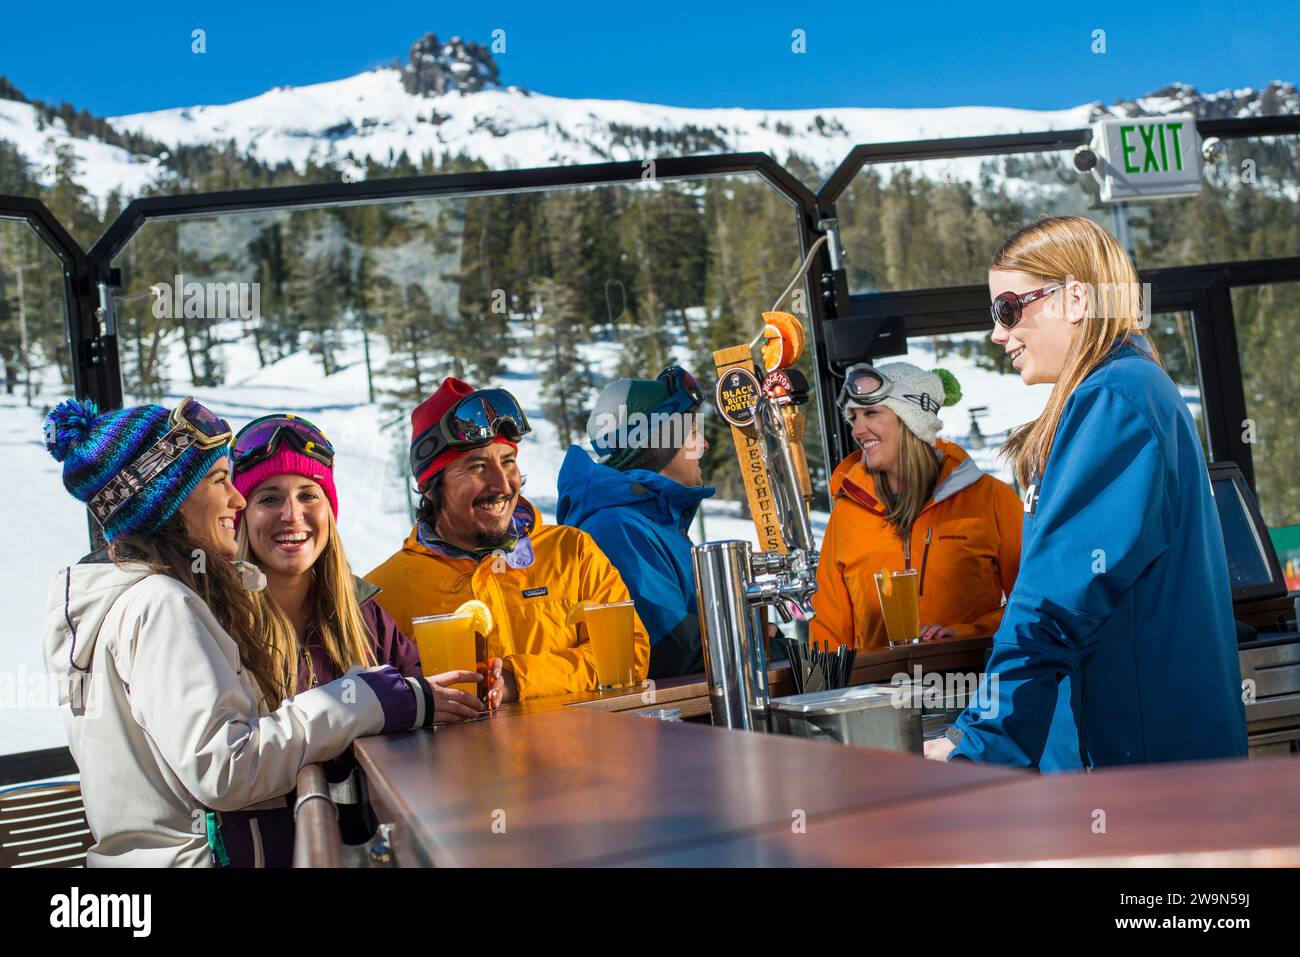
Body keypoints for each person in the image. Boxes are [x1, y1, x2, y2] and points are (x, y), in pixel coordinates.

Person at [40, 397, 437, 867]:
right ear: (168, 498)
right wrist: (359, 698)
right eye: (218, 480)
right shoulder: (159, 603)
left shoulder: (118, 600)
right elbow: (226, 768)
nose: (237, 499)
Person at [926, 215, 1248, 770]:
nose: (998, 333)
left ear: (1075, 299)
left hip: (1131, 772)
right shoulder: (1133, 388)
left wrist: (977, 747)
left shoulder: (1114, 401)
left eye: (1007, 309)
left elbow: (1055, 601)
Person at [367, 377, 651, 702]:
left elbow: (628, 656)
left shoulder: (572, 553)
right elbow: (375, 705)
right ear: (431, 487)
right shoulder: (383, 596)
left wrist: (520, 679)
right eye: (477, 466)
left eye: (508, 461)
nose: (501, 484)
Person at [230, 412, 493, 719]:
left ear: (329, 512)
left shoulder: (361, 612)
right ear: (243, 517)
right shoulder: (223, 621)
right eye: (269, 499)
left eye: (308, 496)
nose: (292, 514)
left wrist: (475, 682)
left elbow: (428, 692)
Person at [811, 362, 1023, 650]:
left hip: (974, 686)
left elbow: (1032, 604)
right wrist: (816, 693)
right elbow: (828, 628)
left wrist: (967, 633)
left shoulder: (991, 499)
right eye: (853, 418)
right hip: (880, 691)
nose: (857, 430)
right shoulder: (847, 514)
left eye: (871, 413)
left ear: (912, 418)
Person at [556, 366, 714, 678]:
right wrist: (759, 642)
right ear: (660, 445)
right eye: (693, 433)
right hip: (671, 723)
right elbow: (673, 651)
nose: (704, 444)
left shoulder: (654, 520)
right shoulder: (618, 529)